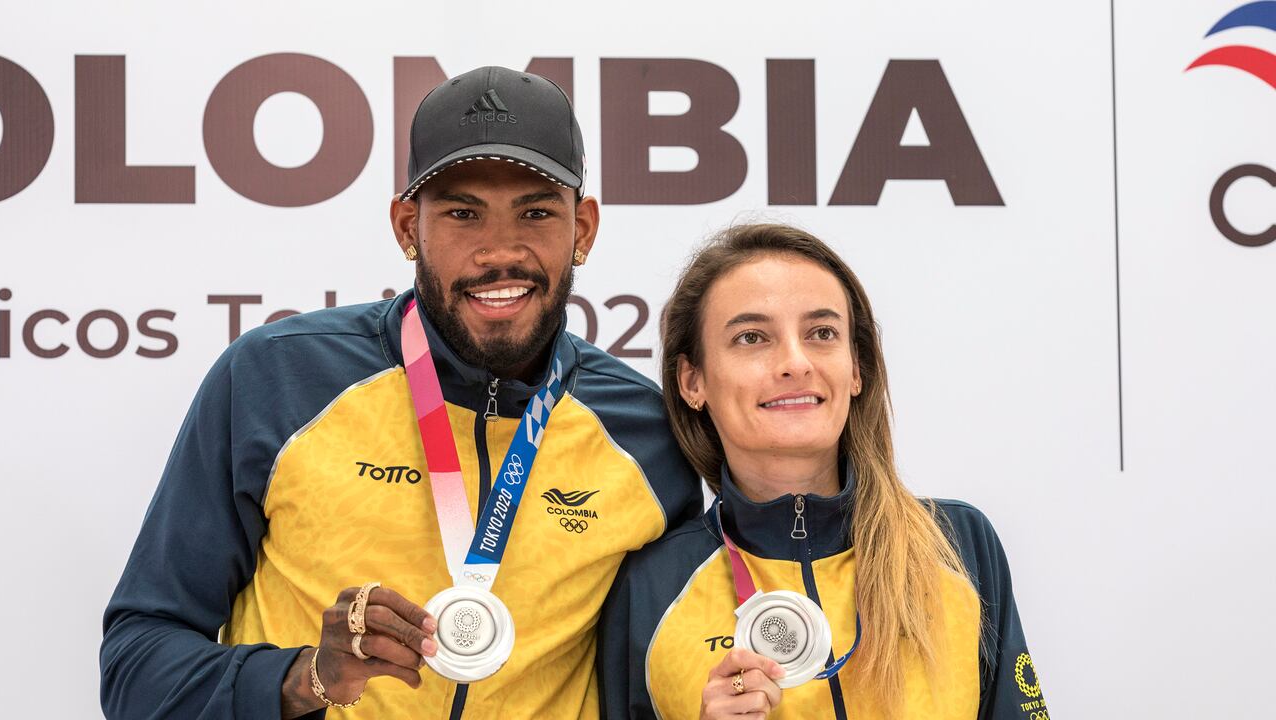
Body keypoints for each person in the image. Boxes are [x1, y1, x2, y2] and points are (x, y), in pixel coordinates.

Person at [100, 66, 701, 719]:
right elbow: (136, 666)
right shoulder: (274, 380)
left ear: (582, 229)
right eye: (462, 213)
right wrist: (306, 676)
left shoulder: (644, 430)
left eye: (535, 211)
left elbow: (650, 684)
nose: (499, 251)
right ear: (407, 226)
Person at [599, 224, 1046, 719]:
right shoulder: (650, 586)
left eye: (822, 333)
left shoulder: (956, 544)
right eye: (751, 337)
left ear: (856, 368)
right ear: (692, 380)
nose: (795, 362)